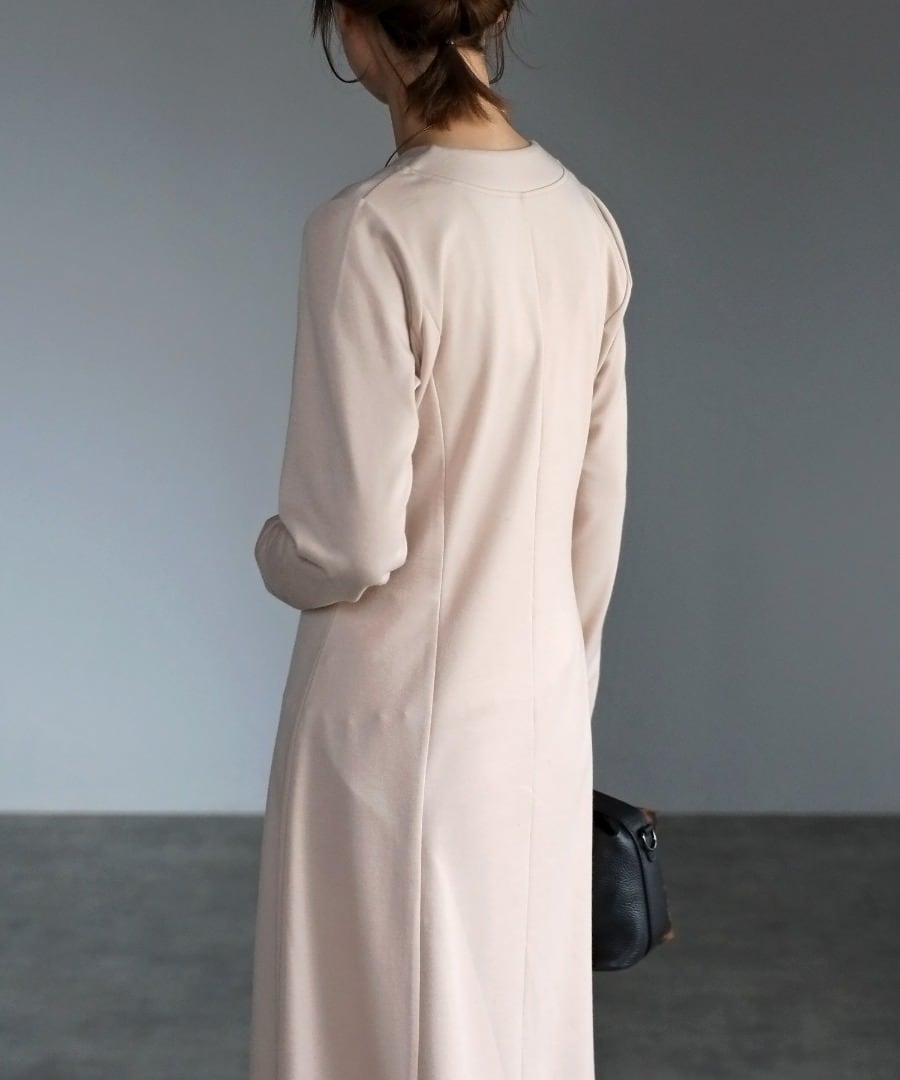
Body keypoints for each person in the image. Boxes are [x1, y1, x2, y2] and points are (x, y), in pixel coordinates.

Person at [249, 1, 633, 1077]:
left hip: (387, 728)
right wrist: (560, 699)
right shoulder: (586, 224)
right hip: (537, 715)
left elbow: (347, 541)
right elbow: (595, 515)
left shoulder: (370, 230)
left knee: (373, 1036)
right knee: (515, 1035)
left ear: (354, 25)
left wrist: (273, 551)